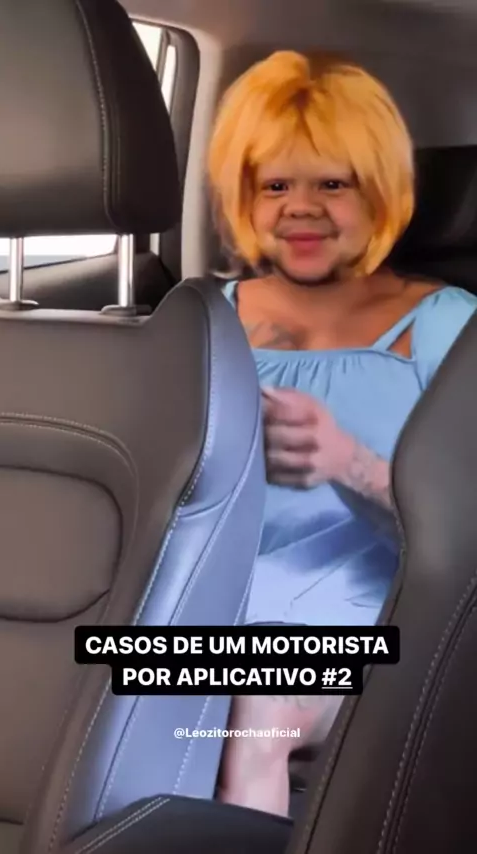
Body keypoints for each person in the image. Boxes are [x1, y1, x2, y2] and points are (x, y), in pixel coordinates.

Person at [206, 49, 477, 816]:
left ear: (380, 191)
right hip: (204, 606)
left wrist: (349, 463)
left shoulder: (449, 328)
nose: (301, 208)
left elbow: (464, 543)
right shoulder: (204, 320)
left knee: (255, 711)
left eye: (333, 184)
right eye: (276, 185)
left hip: (377, 619)